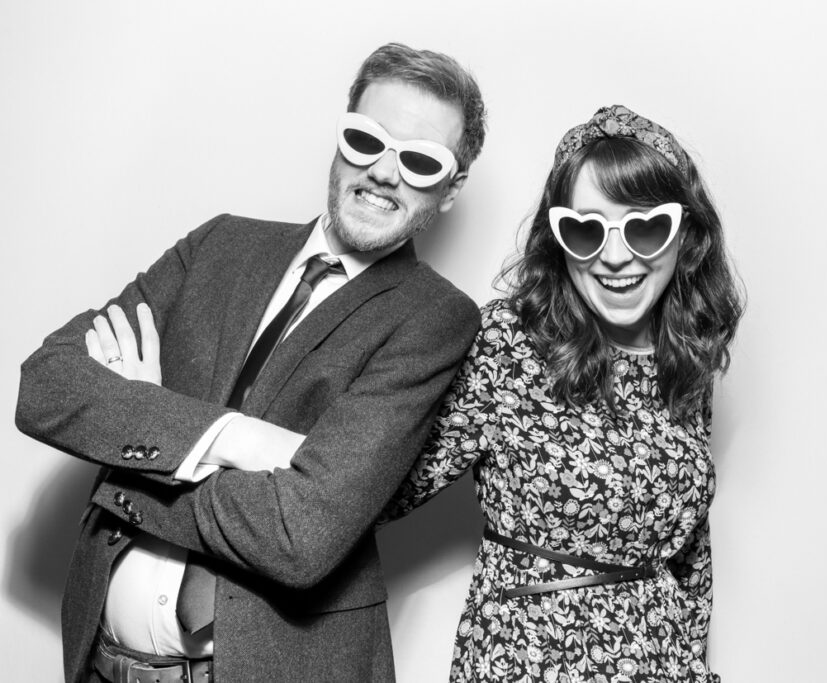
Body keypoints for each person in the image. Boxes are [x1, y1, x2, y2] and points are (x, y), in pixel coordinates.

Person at [15, 43, 486, 683]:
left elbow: (302, 535)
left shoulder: (434, 318)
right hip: (100, 660)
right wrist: (238, 439)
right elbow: (45, 385)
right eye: (366, 140)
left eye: (421, 160)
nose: (382, 171)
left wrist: (134, 447)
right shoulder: (220, 244)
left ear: (452, 189)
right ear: (341, 135)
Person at [383, 105, 743, 682]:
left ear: (687, 235)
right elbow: (371, 487)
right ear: (560, 239)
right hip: (533, 661)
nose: (617, 256)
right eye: (587, 229)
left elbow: (688, 557)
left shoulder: (683, 358)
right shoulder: (509, 342)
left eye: (646, 226)